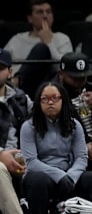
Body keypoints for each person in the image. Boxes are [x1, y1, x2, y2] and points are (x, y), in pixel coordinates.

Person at [20, 81, 92, 214]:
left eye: (55, 98)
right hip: (40, 175)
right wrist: (59, 176)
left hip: (68, 174)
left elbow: (82, 157)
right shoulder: (28, 126)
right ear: (39, 102)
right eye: (45, 99)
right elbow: (31, 162)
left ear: (63, 100)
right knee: (38, 181)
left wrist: (71, 176)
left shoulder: (74, 125)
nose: (50, 102)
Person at [4, 0, 73, 96]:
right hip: (23, 88)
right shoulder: (18, 39)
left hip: (50, 87)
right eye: (40, 12)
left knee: (41, 48)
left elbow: (64, 69)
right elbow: (3, 62)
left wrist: (49, 43)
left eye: (48, 12)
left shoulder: (63, 38)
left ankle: (16, 82)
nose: (45, 16)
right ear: (30, 18)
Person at [0, 49, 32, 214]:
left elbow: (41, 123)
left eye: (0, 68)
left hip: (20, 159)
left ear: (10, 72)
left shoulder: (22, 99)